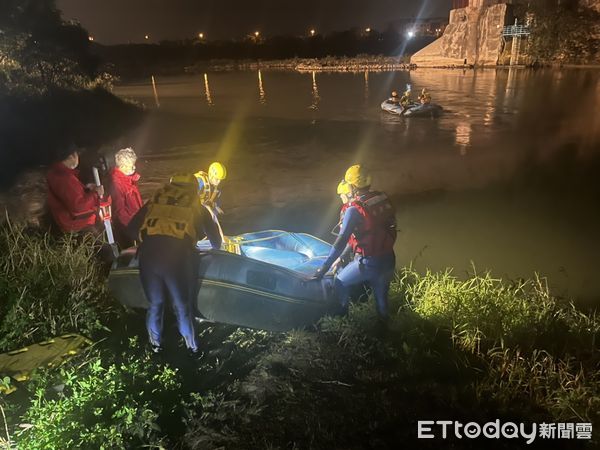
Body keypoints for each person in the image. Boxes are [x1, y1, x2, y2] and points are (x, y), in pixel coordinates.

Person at [127, 173, 222, 355]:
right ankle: (193, 351)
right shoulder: (197, 207)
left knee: (155, 304)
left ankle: (155, 348)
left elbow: (131, 229)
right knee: (182, 307)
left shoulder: (154, 202)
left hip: (148, 258)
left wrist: (149, 240)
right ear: (195, 189)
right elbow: (216, 242)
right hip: (176, 260)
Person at [315, 165, 396, 320]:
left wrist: (323, 268)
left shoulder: (353, 209)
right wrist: (342, 258)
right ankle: (384, 331)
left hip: (369, 263)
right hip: (388, 258)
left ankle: (343, 319)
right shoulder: (380, 198)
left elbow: (341, 240)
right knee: (382, 302)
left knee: (340, 281)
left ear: (352, 186)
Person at [46, 147, 103, 233]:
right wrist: (95, 193)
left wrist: (86, 189)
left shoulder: (57, 173)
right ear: (71, 156)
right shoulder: (65, 178)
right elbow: (79, 206)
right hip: (79, 226)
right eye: (77, 155)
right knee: (102, 246)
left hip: (72, 224)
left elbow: (72, 195)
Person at [108, 148, 143, 248]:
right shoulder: (117, 184)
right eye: (131, 165)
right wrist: (133, 228)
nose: (134, 167)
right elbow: (120, 212)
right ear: (122, 166)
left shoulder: (127, 180)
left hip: (135, 222)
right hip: (128, 227)